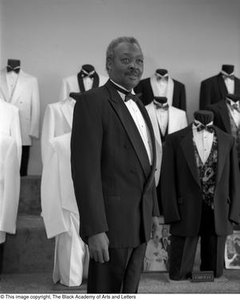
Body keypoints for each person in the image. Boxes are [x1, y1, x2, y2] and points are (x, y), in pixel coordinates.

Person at [71, 36, 160, 293]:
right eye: (126, 60)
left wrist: (152, 211)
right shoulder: (92, 102)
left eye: (139, 61)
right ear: (109, 63)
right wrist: (95, 229)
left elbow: (146, 163)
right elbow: (85, 172)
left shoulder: (140, 105)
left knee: (129, 292)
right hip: (110, 228)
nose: (135, 66)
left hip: (139, 222)